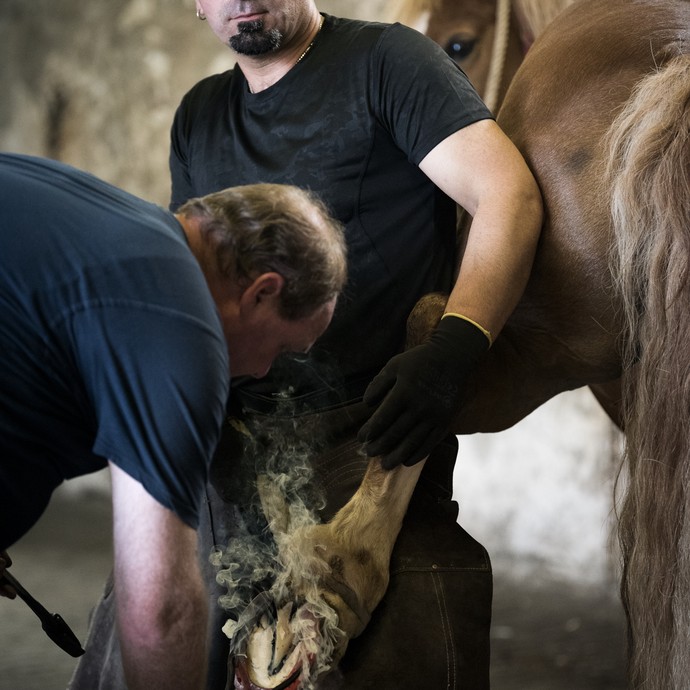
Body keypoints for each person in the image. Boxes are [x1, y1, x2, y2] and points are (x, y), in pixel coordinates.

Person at [74, 2, 544, 688]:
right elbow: (190, 279)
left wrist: (456, 346)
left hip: (375, 431)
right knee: (151, 636)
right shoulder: (200, 113)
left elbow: (508, 196)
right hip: (228, 436)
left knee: (406, 638)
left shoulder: (389, 63)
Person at [0, 152, 346, 690]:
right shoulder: (180, 327)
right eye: (280, 349)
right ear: (263, 292)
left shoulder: (116, 225)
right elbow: (159, 611)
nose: (261, 371)